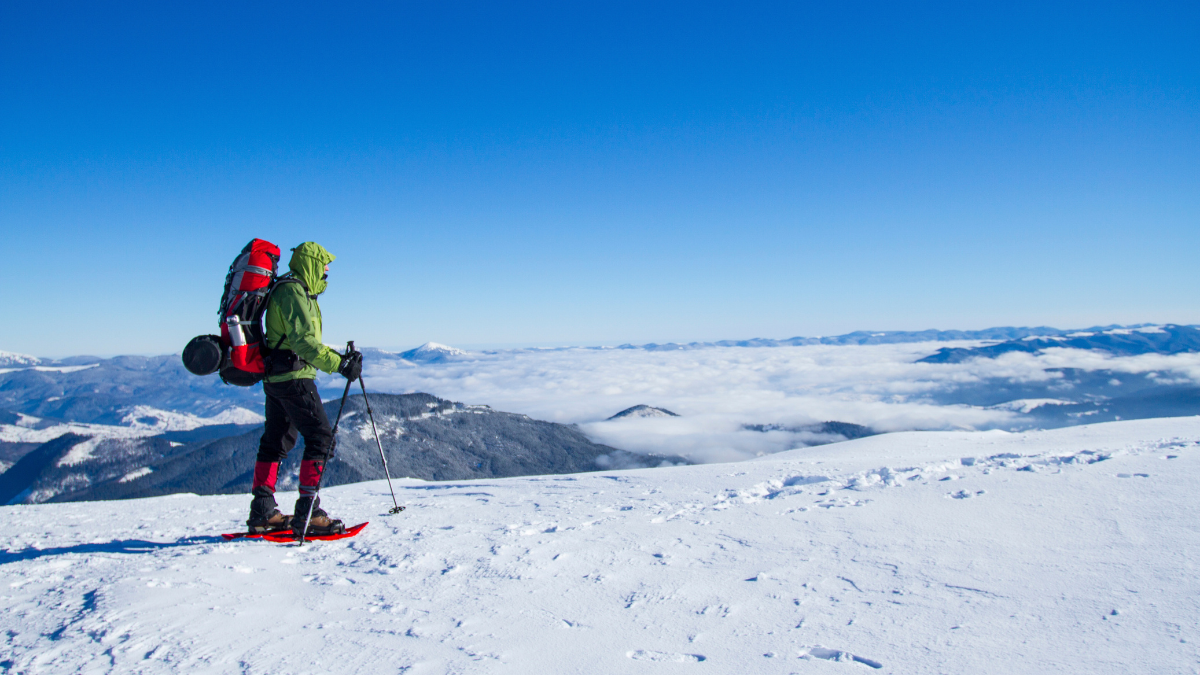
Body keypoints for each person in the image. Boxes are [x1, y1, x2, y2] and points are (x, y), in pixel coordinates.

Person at [246, 242, 363, 535]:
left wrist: (339, 359)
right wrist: (340, 364)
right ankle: (308, 513)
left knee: (275, 441)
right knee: (321, 437)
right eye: (324, 264)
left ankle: (263, 511)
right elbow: (303, 343)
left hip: (277, 378)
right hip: (293, 378)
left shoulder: (294, 291)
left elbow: (296, 339)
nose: (326, 270)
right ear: (310, 263)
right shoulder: (293, 292)